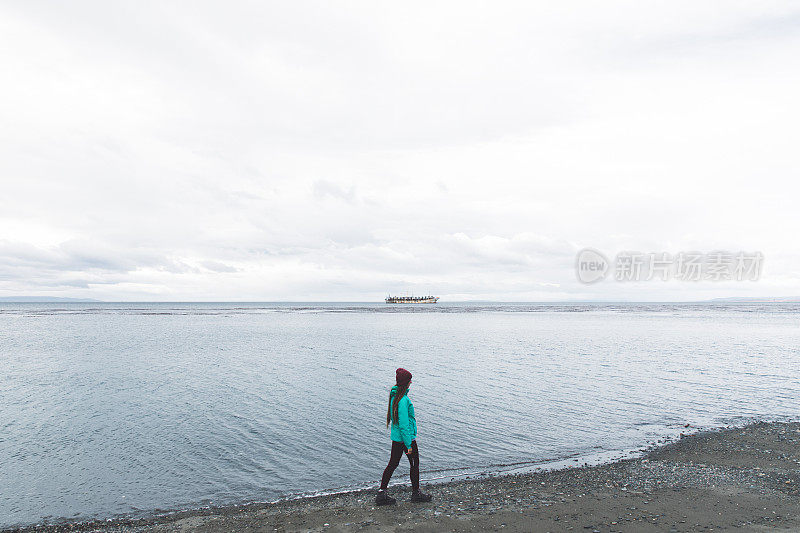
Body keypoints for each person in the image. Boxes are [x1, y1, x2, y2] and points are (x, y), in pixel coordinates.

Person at [375, 368, 433, 505]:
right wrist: (409, 445)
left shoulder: (395, 396)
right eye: (410, 380)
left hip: (397, 439)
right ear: (406, 383)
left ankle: (381, 493)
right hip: (406, 439)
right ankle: (416, 494)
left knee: (393, 464)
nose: (411, 382)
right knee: (414, 464)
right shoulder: (403, 400)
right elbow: (403, 424)